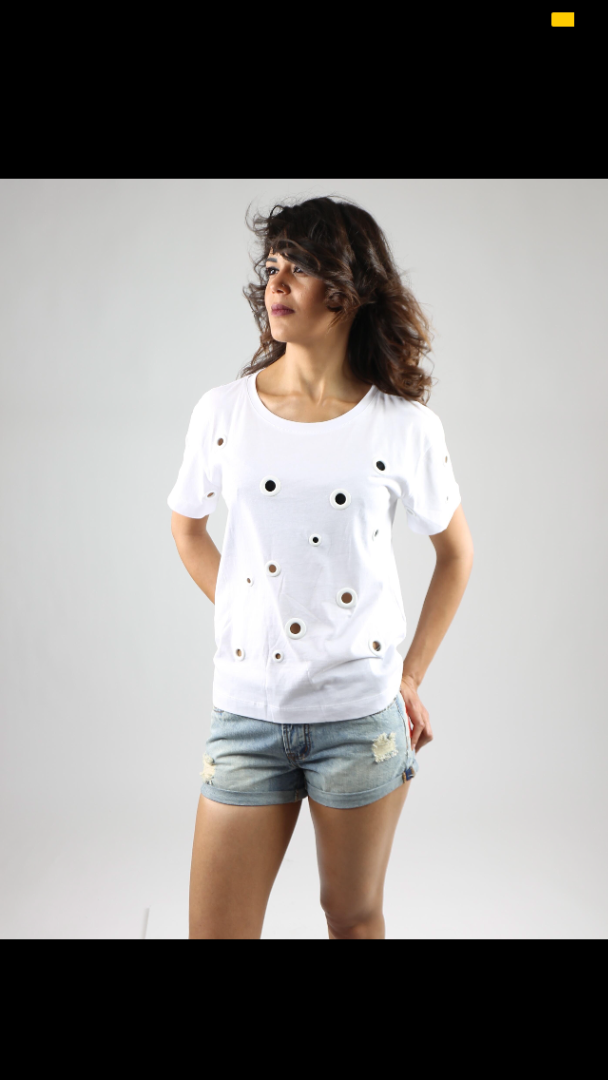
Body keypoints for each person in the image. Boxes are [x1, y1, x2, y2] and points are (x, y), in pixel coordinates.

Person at [167, 196, 474, 939]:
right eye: (272, 265)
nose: (276, 281)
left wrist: (409, 678)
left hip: (360, 720)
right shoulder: (222, 413)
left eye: (299, 267)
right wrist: (248, 611)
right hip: (246, 715)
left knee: (353, 915)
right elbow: (187, 529)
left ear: (347, 290)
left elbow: (457, 554)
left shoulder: (405, 426)